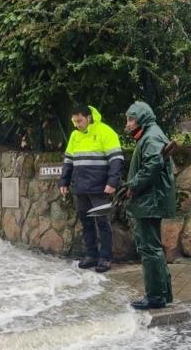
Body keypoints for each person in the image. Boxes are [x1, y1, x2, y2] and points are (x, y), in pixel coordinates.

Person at [58, 105, 124, 273]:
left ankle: (105, 258)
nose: (77, 124)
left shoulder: (105, 131)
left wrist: (112, 182)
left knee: (103, 223)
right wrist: (63, 182)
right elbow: (68, 161)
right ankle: (91, 255)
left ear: (88, 117)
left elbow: (116, 159)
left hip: (100, 187)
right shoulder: (74, 136)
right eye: (74, 121)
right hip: (81, 188)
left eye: (79, 120)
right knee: (86, 222)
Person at [124, 101, 175, 310]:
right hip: (150, 200)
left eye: (131, 119)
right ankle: (164, 294)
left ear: (142, 119)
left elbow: (153, 164)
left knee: (149, 248)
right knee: (152, 247)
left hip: (150, 200)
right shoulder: (150, 134)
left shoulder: (151, 136)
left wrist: (133, 185)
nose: (127, 124)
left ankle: (155, 297)